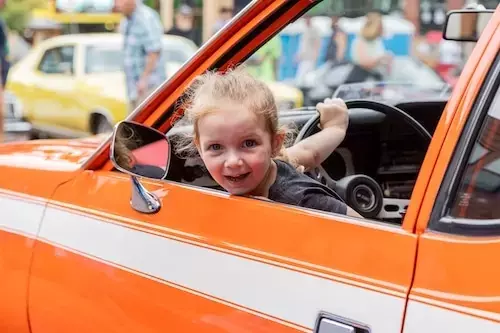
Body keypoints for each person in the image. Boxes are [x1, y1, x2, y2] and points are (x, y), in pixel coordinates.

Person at [175, 68, 361, 217]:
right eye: (216, 147)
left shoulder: (302, 201)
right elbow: (309, 152)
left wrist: (274, 217)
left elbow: (368, 232)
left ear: (274, 144)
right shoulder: (276, 161)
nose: (232, 161)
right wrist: (335, 129)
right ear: (199, 147)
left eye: (248, 143)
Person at [115, 0, 166, 112]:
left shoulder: (146, 18)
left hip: (148, 88)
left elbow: (154, 51)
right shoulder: (127, 20)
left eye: (119, 1)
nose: (117, 5)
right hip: (134, 88)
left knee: (143, 127)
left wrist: (144, 79)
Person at [350, 11, 392, 81]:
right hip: (362, 80)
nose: (382, 28)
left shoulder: (377, 41)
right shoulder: (360, 41)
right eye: (380, 26)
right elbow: (363, 63)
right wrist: (381, 59)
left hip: (376, 79)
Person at [295, 14, 321, 82]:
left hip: (310, 58)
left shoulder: (314, 30)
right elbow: (303, 46)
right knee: (302, 78)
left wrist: (315, 56)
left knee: (306, 78)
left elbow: (317, 44)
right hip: (303, 58)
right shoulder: (305, 30)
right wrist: (299, 55)